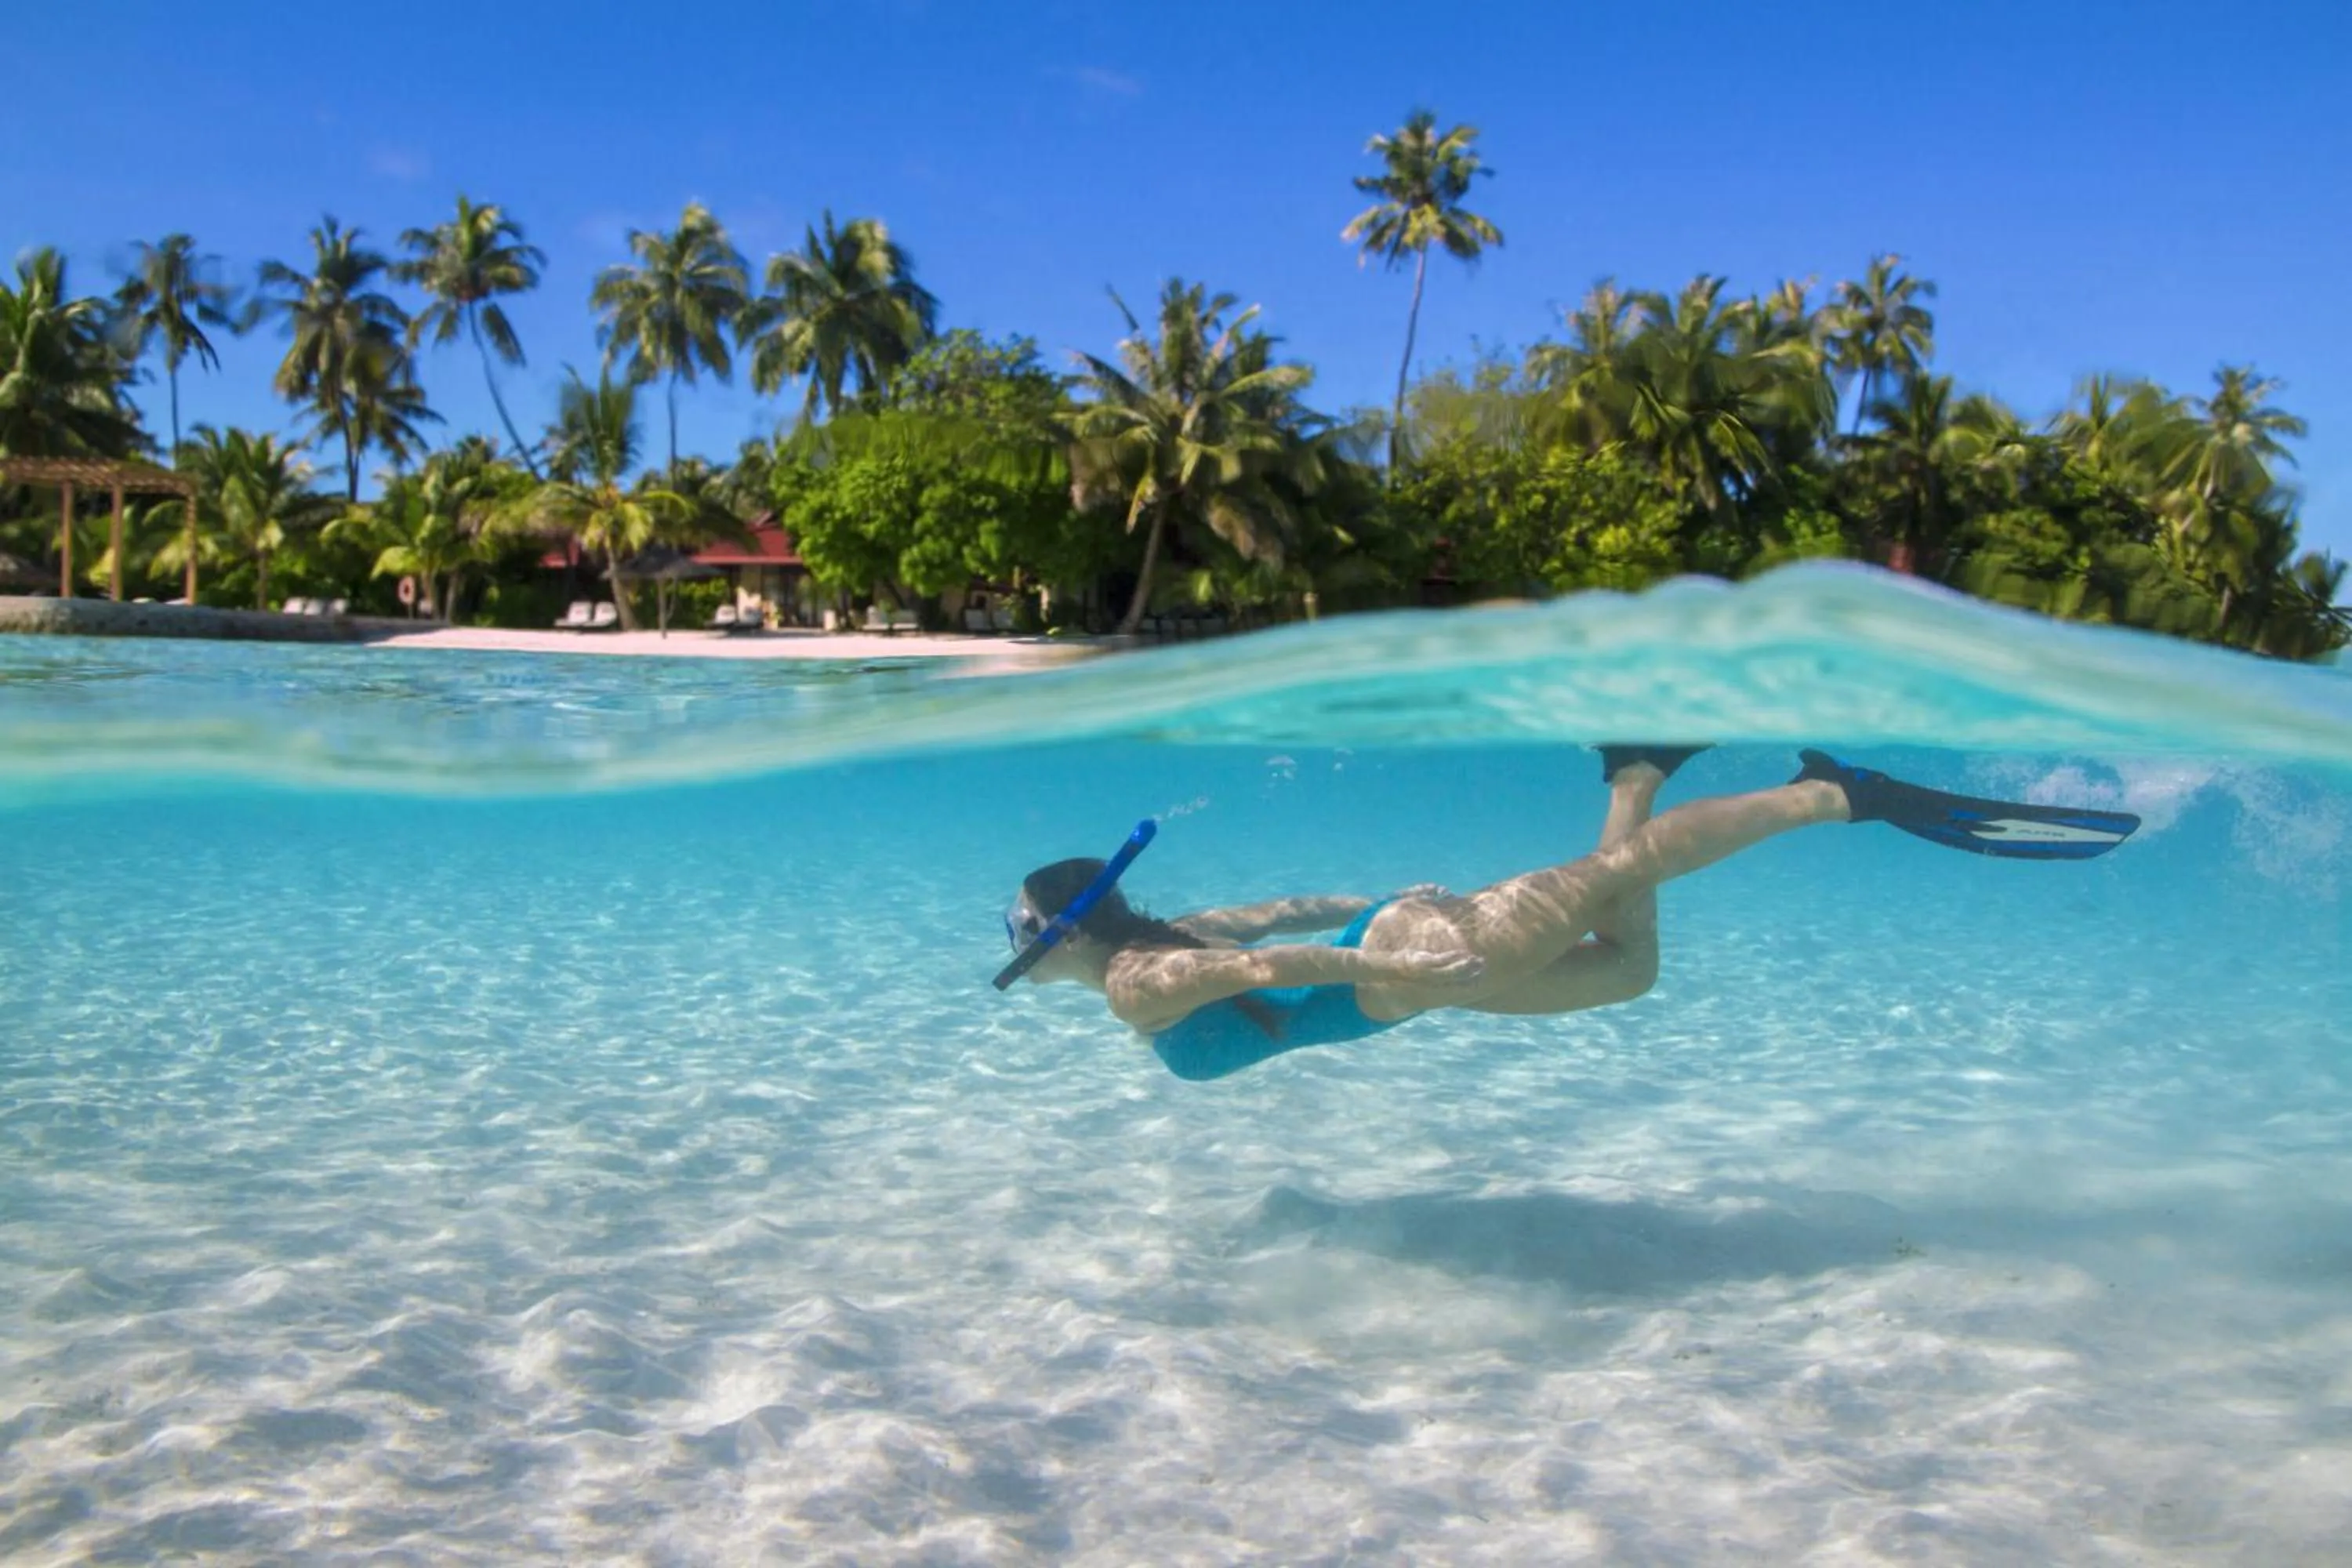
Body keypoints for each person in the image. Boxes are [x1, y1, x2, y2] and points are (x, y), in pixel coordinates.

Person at [994, 748, 2141, 1081]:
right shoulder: (1171, 932)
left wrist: (1405, 947)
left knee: (1608, 881)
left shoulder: (1138, 985)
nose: (1021, 953)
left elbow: (1264, 966)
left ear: (1065, 936)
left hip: (1401, 971)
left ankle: (1836, 795)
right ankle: (1635, 769)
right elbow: (1292, 910)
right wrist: (1383, 904)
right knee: (1626, 969)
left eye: (1023, 935)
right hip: (1394, 966)